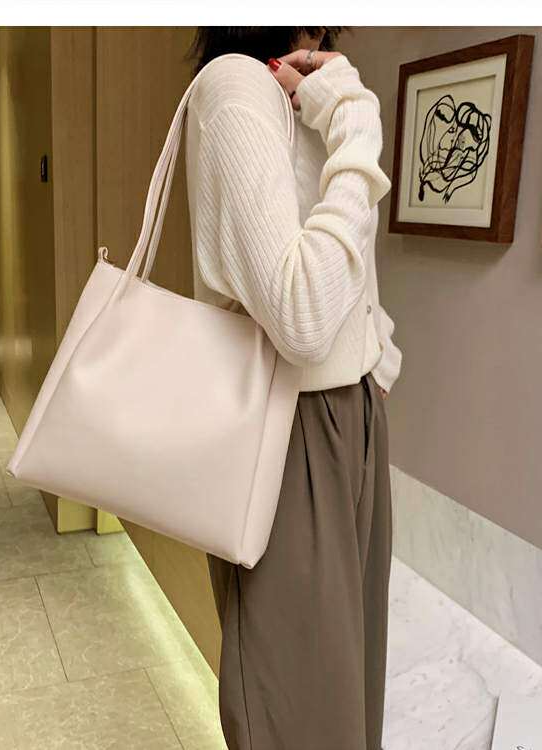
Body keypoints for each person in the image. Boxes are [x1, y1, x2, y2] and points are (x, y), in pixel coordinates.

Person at [184, 27, 402, 750]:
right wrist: (356, 121)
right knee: (304, 720)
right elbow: (301, 315)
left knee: (350, 698)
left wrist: (374, 353)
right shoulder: (236, 85)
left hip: (347, 418)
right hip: (291, 434)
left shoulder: (310, 88)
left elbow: (336, 279)